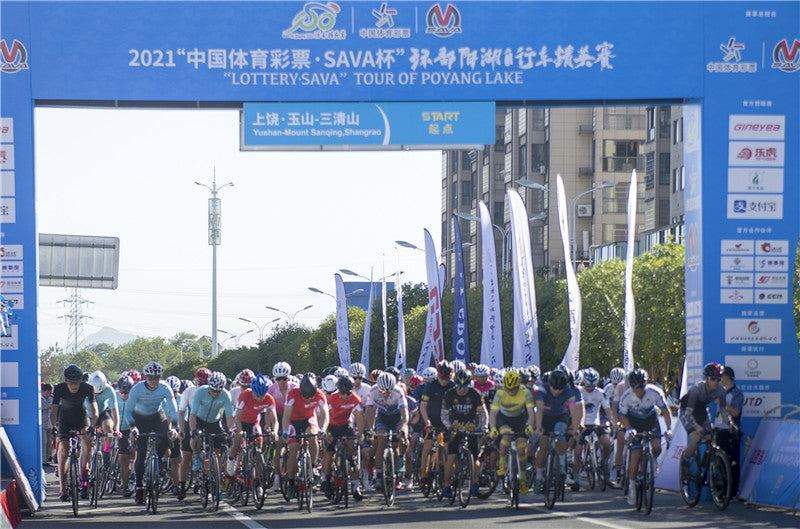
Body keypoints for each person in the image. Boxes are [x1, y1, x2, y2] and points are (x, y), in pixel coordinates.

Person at [125, 361, 179, 505]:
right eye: (150, 378)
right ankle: (139, 487)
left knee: (167, 437)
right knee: (141, 453)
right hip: (140, 418)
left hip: (157, 416)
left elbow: (173, 409)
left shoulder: (165, 387)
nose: (154, 381)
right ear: (145, 377)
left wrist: (174, 426)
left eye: (157, 378)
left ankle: (157, 462)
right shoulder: (136, 389)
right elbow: (128, 411)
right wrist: (133, 427)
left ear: (160, 377)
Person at [618, 368, 672, 505]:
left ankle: (652, 463)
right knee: (635, 456)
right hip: (634, 424)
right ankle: (631, 487)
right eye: (636, 387)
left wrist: (669, 429)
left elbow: (665, 412)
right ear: (631, 387)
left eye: (642, 386)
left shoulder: (655, 392)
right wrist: (628, 428)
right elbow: (622, 415)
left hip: (650, 422)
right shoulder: (626, 397)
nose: (640, 390)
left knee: (657, 447)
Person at [51, 365, 98, 501]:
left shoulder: (87, 388)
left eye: (77, 382)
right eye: (71, 383)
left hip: (81, 417)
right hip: (64, 418)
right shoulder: (59, 388)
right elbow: (54, 411)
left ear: (81, 381)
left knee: (87, 443)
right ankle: (63, 488)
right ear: (66, 381)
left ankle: (84, 476)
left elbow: (94, 410)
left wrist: (93, 426)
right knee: (64, 450)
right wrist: (54, 426)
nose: (74, 386)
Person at [532, 369, 583, 493]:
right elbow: (538, 409)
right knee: (543, 446)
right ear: (549, 384)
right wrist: (538, 427)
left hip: (560, 417)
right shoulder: (542, 390)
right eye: (554, 388)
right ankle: (538, 477)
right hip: (545, 417)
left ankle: (562, 471)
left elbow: (573, 411)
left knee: (561, 436)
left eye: (560, 389)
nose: (557, 391)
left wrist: (575, 428)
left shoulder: (568, 391)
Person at [441, 369, 487, 499]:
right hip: (455, 425)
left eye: (464, 386)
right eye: (459, 386)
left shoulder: (475, 394)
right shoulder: (449, 394)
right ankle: (446, 485)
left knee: (475, 456)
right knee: (451, 456)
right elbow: (444, 414)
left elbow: (483, 413)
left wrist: (483, 427)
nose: (461, 389)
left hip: (472, 426)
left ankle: (475, 484)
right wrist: (450, 426)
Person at [281, 374, 328, 497]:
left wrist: (323, 429)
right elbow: (286, 416)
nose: (307, 399)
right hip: (294, 421)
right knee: (294, 449)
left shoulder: (320, 394)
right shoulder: (292, 394)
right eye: (304, 396)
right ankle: (291, 482)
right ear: (300, 391)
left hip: (309, 419)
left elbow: (325, 414)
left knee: (313, 436)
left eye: (310, 397)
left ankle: (312, 467)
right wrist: (285, 431)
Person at [491, 369, 536, 494]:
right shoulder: (500, 393)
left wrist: (530, 426)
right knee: (505, 438)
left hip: (520, 420)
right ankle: (502, 463)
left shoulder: (525, 392)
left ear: (519, 385)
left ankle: (522, 478)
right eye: (508, 389)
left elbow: (531, 413)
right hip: (504, 420)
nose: (510, 391)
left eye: (513, 389)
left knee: (521, 449)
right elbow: (493, 414)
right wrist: (493, 428)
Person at [188, 372, 235, 485]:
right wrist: (193, 430)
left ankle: (215, 474)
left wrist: (230, 431)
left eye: (218, 391)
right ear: (209, 386)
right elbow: (193, 414)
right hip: (199, 419)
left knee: (218, 449)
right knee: (196, 438)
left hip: (214, 422)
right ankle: (196, 455)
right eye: (213, 390)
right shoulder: (200, 392)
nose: (215, 393)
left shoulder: (226, 395)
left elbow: (229, 416)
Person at [321, 375, 364, 499]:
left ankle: (356, 487)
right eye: (342, 393)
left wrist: (360, 434)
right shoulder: (331, 399)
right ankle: (327, 479)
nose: (344, 396)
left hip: (346, 424)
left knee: (352, 457)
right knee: (329, 451)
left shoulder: (355, 398)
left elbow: (360, 417)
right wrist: (327, 432)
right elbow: (325, 417)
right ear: (338, 390)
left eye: (347, 393)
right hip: (331, 425)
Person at [365, 372, 408, 492]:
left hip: (397, 418)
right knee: (381, 440)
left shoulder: (398, 391)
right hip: (382, 417)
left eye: (389, 391)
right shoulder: (373, 391)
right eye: (383, 391)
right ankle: (378, 475)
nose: (386, 394)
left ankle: (399, 469)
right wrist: (370, 428)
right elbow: (369, 410)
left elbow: (404, 412)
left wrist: (404, 426)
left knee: (399, 442)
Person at [679, 363, 726, 466]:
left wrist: (729, 424)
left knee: (711, 438)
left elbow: (723, 410)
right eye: (713, 379)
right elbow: (688, 414)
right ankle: (685, 461)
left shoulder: (721, 391)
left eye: (718, 379)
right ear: (706, 379)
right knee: (696, 438)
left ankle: (708, 467)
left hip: (701, 411)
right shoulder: (696, 390)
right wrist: (696, 426)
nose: (716, 382)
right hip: (686, 411)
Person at [573, 367, 611, 491]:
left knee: (607, 443)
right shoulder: (578, 391)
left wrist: (611, 421)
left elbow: (607, 409)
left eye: (593, 385)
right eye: (588, 385)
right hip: (582, 424)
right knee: (577, 452)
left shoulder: (600, 392)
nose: (590, 388)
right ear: (583, 382)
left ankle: (603, 462)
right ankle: (576, 478)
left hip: (596, 424)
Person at [419, 361, 455, 489]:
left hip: (447, 422)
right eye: (442, 378)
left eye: (447, 378)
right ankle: (423, 476)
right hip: (432, 420)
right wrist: (427, 421)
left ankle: (447, 477)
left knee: (447, 448)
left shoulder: (453, 386)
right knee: (427, 448)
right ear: (438, 375)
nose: (444, 381)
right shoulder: (430, 386)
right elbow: (423, 406)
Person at [176, 367, 209, 499]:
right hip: (191, 423)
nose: (202, 385)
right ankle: (182, 486)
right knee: (186, 457)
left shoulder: (211, 391)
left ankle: (206, 482)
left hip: (207, 423)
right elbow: (181, 411)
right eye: (200, 382)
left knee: (208, 455)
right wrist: (182, 430)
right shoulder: (189, 392)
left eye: (205, 383)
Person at [714, 365, 743, 496]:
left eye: (721, 376)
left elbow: (736, 413)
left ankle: (732, 492)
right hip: (719, 429)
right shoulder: (720, 391)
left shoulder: (737, 393)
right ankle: (721, 490)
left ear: (727, 377)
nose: (719, 379)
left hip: (731, 431)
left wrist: (723, 403)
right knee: (719, 461)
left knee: (732, 462)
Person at [115, 375, 135, 497]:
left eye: (126, 392)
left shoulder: (135, 397)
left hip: (128, 429)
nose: (124, 394)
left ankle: (126, 484)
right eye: (122, 391)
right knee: (105, 447)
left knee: (124, 458)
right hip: (115, 427)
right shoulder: (114, 395)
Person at [41, 383, 54, 466]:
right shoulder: (39, 398)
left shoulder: (51, 398)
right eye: (49, 392)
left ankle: (48, 459)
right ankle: (43, 460)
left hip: (49, 423)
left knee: (49, 442)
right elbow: (43, 407)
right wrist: (50, 405)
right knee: (44, 441)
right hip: (41, 424)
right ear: (45, 391)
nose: (50, 393)